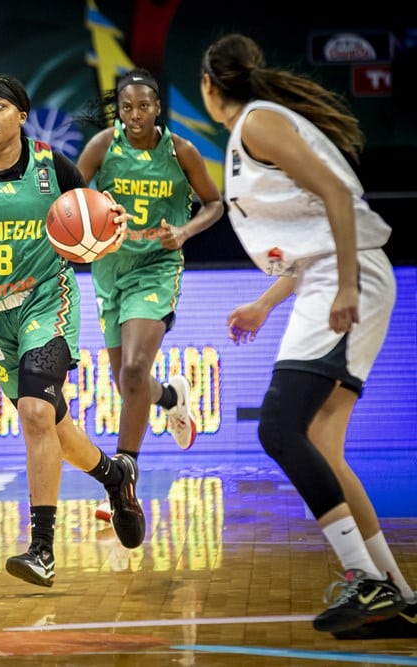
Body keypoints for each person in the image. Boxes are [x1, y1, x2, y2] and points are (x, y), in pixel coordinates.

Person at [200, 32, 414, 638]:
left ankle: (365, 581)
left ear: (210, 87)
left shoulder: (259, 124)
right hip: (328, 274)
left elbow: (339, 196)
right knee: (320, 441)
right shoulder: (253, 129)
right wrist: (266, 303)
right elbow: (312, 232)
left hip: (347, 276)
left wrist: (346, 285)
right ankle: (396, 594)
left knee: (278, 427)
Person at [0, 73, 145, 588]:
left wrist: (115, 227)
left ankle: (42, 549)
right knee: (53, 427)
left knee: (35, 411)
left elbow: (97, 219)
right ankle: (114, 475)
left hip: (48, 300)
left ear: (21, 115)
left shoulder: (51, 166)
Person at [76, 67, 224, 523]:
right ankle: (172, 399)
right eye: (127, 107)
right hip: (110, 268)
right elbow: (71, 199)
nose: (135, 114)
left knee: (136, 369)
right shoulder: (103, 146)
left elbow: (215, 204)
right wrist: (89, 229)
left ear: (158, 108)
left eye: (144, 106)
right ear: (118, 111)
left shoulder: (181, 151)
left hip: (156, 267)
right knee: (129, 383)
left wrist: (184, 231)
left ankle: (122, 482)